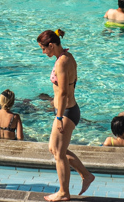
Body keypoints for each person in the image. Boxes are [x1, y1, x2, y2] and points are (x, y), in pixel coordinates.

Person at [38, 29, 93, 201]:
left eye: (44, 48)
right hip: (67, 110)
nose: (43, 52)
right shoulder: (67, 56)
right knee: (54, 149)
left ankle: (64, 192)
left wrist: (59, 117)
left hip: (66, 112)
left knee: (59, 153)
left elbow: (62, 93)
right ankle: (86, 175)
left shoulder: (62, 62)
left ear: (52, 45)